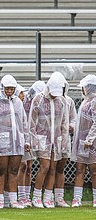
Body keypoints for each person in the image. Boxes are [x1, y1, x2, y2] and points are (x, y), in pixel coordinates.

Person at [0, 74, 30, 209]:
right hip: (1, 142)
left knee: (13, 170)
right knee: (1, 170)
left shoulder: (18, 102)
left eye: (12, 89)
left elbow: (23, 122)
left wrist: (26, 140)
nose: (10, 91)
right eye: (7, 89)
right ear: (2, 88)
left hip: (17, 141)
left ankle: (12, 199)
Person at [29, 74, 68, 208]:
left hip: (55, 139)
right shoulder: (38, 99)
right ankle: (37, 197)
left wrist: (64, 139)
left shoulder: (61, 101)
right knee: (44, 167)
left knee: (53, 168)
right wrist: (32, 138)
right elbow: (32, 121)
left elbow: (64, 122)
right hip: (42, 138)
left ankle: (48, 197)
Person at [17, 81, 46, 207]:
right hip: (21, 137)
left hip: (31, 137)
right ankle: (21, 195)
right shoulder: (23, 103)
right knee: (22, 166)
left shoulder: (40, 103)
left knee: (29, 167)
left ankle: (27, 196)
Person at [51, 72, 76, 207]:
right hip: (52, 139)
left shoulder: (69, 101)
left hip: (65, 139)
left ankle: (59, 197)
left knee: (61, 168)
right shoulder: (50, 100)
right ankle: (48, 195)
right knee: (50, 168)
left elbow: (73, 118)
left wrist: (71, 126)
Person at [71, 74, 96, 208]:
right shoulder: (85, 102)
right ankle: (77, 198)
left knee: (94, 170)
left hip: (92, 142)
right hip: (82, 141)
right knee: (80, 169)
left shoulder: (94, 101)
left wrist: (90, 139)